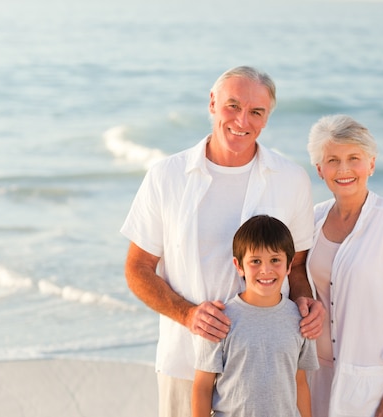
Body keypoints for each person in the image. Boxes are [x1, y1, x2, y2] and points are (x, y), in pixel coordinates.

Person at [120, 66, 324, 417]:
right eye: (233, 105)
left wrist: (307, 303)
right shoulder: (166, 176)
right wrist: (188, 315)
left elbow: (298, 266)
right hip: (186, 361)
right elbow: (137, 269)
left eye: (256, 112)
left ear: (266, 119)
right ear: (212, 103)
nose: (242, 120)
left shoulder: (291, 179)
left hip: (267, 371)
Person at [305, 114, 383, 417]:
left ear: (371, 164)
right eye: (333, 160)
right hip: (319, 377)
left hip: (378, 383)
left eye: (354, 158)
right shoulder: (312, 220)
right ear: (320, 169)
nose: (344, 169)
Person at [192, 215, 319, 417]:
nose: (266, 270)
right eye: (255, 261)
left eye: (275, 260)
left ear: (289, 265)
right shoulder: (221, 320)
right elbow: (202, 386)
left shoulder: (300, 320)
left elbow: (299, 381)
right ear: (239, 265)